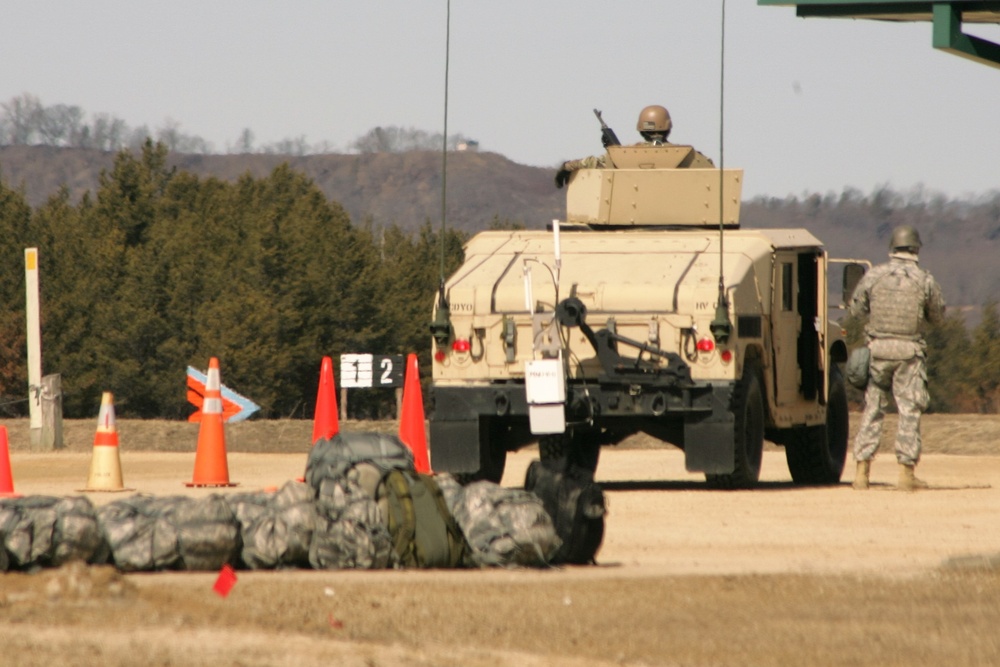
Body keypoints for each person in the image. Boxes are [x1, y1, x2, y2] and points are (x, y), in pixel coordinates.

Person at [849, 225, 945, 491]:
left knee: (872, 410)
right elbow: (937, 317)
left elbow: (856, 309)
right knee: (909, 411)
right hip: (908, 354)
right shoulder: (924, 279)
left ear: (893, 247)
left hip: (877, 350)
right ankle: (905, 474)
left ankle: (861, 472)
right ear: (915, 248)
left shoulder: (874, 276)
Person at [554, 105, 713, 188]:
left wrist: (566, 166)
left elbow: (591, 163)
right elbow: (710, 171)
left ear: (641, 130)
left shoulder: (622, 156)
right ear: (668, 128)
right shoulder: (690, 156)